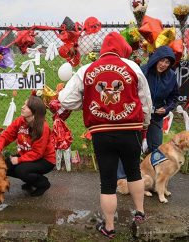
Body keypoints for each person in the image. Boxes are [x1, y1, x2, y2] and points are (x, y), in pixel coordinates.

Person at [58, 32, 152, 239]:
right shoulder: (133, 67)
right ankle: (140, 213)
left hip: (102, 132)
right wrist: (143, 125)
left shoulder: (86, 70)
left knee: (107, 181)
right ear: (122, 49)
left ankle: (109, 227)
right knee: (134, 172)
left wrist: (87, 101)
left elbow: (65, 100)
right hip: (130, 129)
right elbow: (145, 101)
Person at [0, 95, 56, 197]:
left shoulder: (43, 128)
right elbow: (6, 135)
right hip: (27, 155)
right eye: (24, 104)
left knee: (21, 170)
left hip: (45, 160)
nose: (22, 107)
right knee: (4, 166)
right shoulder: (20, 121)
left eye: (26, 106)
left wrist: (19, 160)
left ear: (34, 111)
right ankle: (31, 180)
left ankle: (43, 183)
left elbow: (37, 153)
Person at [141, 45, 179, 152]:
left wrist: (166, 108)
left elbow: (174, 97)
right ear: (156, 58)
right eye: (162, 60)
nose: (164, 64)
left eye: (167, 62)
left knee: (157, 148)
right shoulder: (143, 71)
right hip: (140, 114)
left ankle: (154, 168)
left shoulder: (171, 76)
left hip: (157, 116)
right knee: (135, 146)